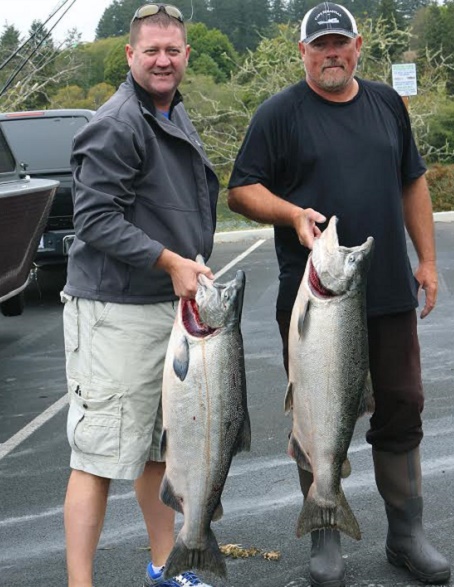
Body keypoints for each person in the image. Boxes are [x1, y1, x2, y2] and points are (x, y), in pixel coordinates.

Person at [228, 3, 451, 586]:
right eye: (319, 44)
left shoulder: (385, 104)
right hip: (313, 306)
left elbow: (412, 180)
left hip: (387, 295)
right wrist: (291, 213)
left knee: (401, 408)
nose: (331, 53)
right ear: (301, 51)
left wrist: (425, 261)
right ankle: (324, 536)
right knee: (316, 415)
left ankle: (406, 535)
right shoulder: (278, 115)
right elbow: (242, 191)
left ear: (357, 46)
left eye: (340, 43)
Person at [61, 4, 218, 587]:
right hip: (114, 313)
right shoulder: (118, 122)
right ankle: (81, 582)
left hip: (166, 308)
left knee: (157, 448)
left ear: (186, 55)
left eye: (172, 50)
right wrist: (172, 260)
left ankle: (166, 565)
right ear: (130, 55)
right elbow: (95, 219)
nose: (162, 60)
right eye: (150, 50)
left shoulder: (170, 112)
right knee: (97, 457)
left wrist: (182, 266)